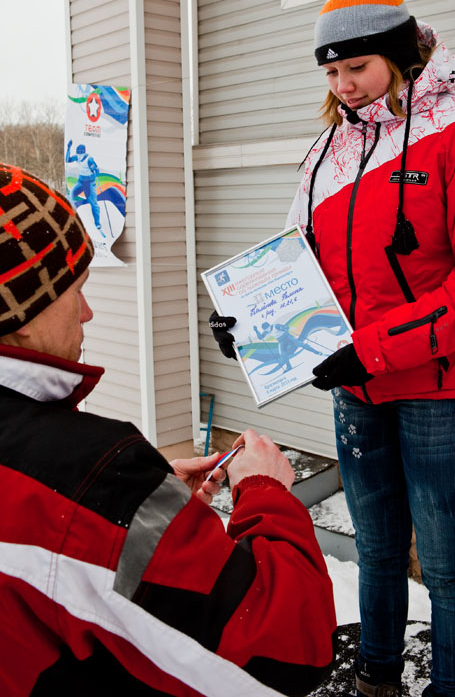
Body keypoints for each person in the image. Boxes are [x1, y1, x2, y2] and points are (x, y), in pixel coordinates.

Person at [210, 0, 455, 697]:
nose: (343, 86)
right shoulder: (328, 150)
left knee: (444, 564)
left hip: (442, 391)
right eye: (331, 72)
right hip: (356, 385)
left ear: (399, 53)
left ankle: (451, 690)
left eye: (356, 67)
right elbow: (298, 263)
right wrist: (252, 324)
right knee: (378, 550)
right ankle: (376, 680)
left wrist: (378, 348)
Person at [0, 163, 337, 697]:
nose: (87, 313)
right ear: (22, 309)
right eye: (76, 290)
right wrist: (266, 492)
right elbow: (285, 651)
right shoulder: (89, 476)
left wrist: (147, 514)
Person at [66, 139, 105, 235]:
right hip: (80, 182)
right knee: (71, 194)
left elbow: (95, 168)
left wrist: (94, 169)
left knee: (93, 203)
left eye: (80, 153)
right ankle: (72, 215)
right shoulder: (77, 157)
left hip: (89, 183)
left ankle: (97, 223)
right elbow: (68, 160)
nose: (78, 155)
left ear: (83, 152)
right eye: (77, 153)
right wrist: (68, 148)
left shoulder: (89, 159)